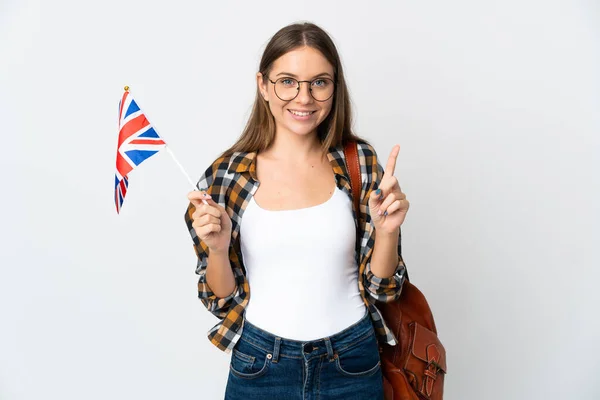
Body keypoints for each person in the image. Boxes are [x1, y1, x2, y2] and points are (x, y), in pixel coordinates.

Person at [184, 22, 409, 400]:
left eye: (319, 82)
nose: (303, 98)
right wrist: (218, 248)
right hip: (260, 366)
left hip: (352, 362)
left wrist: (388, 232)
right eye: (287, 81)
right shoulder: (226, 176)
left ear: (334, 88)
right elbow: (220, 300)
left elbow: (383, 289)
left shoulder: (359, 163)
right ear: (263, 85)